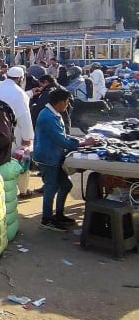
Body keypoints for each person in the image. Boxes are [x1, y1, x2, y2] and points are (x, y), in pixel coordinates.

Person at [34, 88, 96, 231]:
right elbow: (61, 140)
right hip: (47, 157)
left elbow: (62, 136)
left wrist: (78, 140)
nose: (67, 104)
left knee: (66, 185)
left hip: (53, 155)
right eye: (67, 102)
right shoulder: (48, 117)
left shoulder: (53, 113)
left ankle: (59, 214)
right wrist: (83, 143)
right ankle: (47, 219)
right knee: (51, 187)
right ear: (61, 102)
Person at [0, 66, 35, 198]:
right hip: (16, 131)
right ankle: (23, 190)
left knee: (2, 160)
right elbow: (24, 115)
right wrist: (28, 137)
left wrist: (31, 93)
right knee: (22, 160)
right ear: (20, 78)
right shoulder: (18, 92)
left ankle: (2, 188)